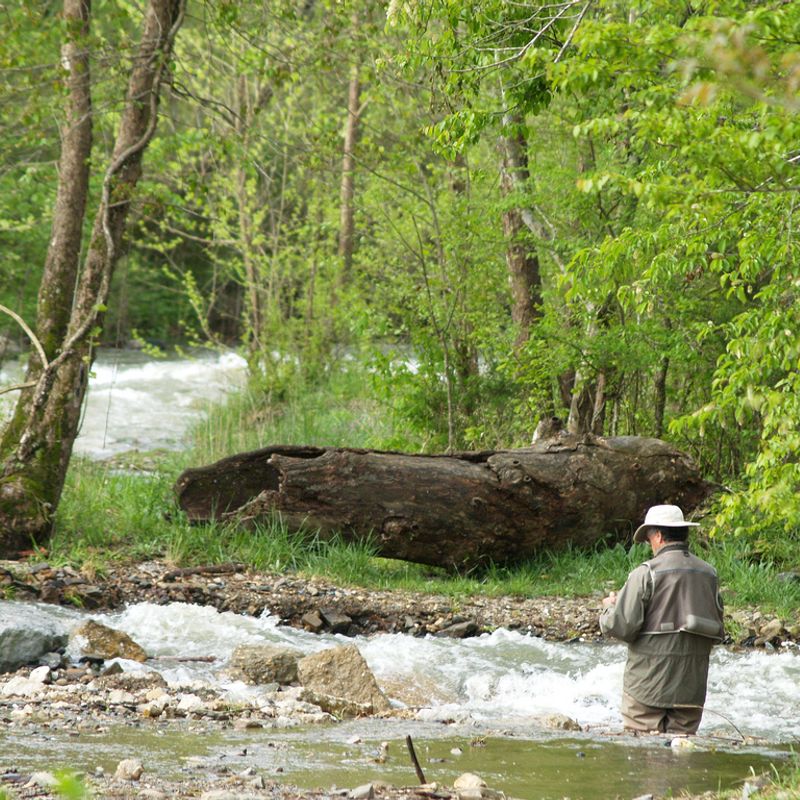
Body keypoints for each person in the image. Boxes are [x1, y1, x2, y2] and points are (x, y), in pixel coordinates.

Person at [600, 504, 725, 734]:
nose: (650, 545)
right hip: (690, 688)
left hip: (647, 686)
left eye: (649, 539)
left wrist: (609, 608)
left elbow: (621, 627)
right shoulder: (709, 574)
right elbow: (717, 630)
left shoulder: (645, 573)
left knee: (643, 748)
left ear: (658, 536)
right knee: (681, 748)